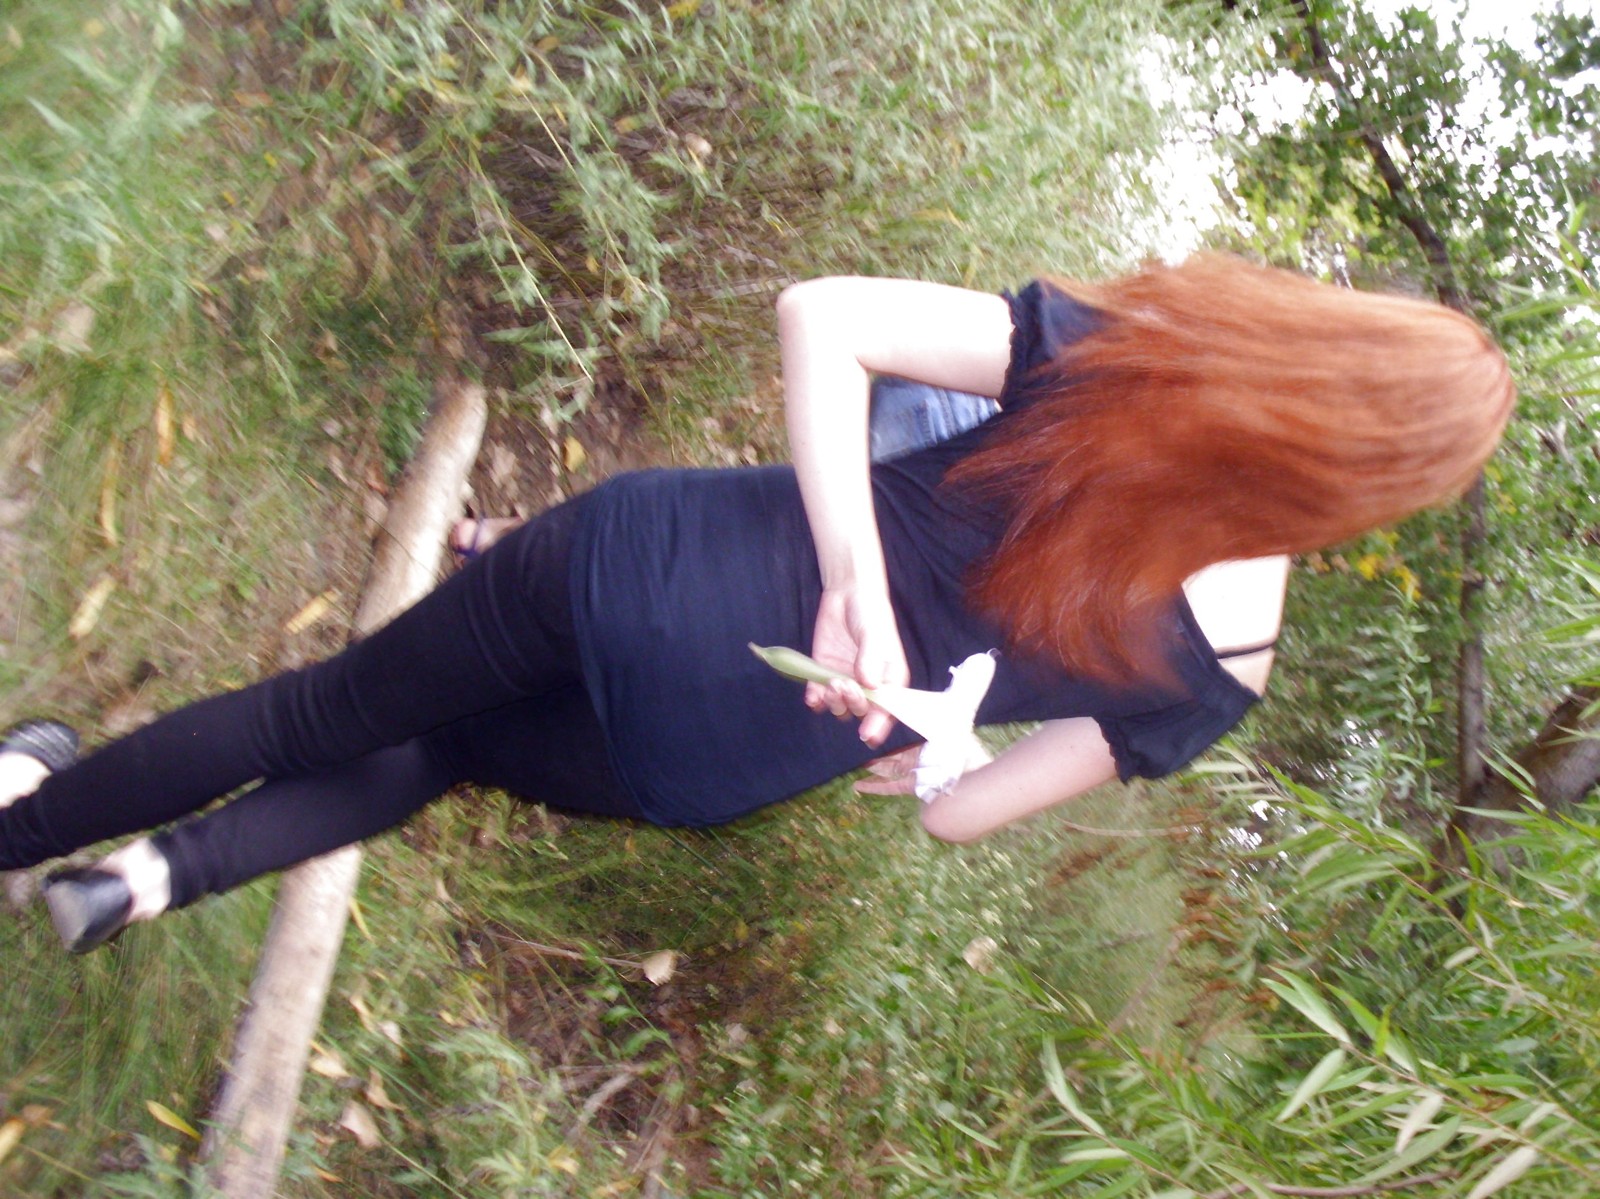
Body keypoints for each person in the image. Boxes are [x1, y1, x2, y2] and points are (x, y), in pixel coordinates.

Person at [0, 256, 1515, 953]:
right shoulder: (1225, 676)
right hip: (724, 750)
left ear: (1329, 343)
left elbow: (826, 317)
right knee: (441, 752)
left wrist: (851, 572)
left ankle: (29, 825)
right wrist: (931, 734)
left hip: (657, 570)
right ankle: (139, 887)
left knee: (317, 713)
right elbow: (952, 815)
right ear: (1365, 495)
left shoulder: (1132, 358)